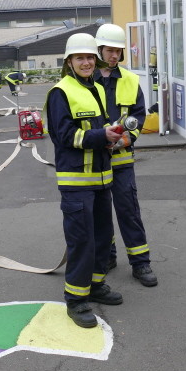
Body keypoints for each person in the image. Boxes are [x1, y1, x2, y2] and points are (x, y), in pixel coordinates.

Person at [44, 33, 125, 328]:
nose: (87, 62)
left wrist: (112, 136)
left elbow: (99, 124)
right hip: (76, 181)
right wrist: (99, 136)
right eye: (80, 58)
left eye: (90, 57)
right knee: (82, 240)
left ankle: (95, 285)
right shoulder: (60, 92)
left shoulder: (98, 89)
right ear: (69, 62)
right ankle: (76, 299)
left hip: (102, 177)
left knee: (103, 237)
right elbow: (64, 136)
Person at [94, 24, 158, 287]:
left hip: (120, 160)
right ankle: (108, 257)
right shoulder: (85, 81)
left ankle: (141, 263)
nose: (114, 56)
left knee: (128, 210)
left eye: (118, 51)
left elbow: (138, 115)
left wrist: (126, 139)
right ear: (99, 50)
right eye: (110, 50)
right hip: (94, 159)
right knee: (100, 214)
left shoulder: (131, 80)